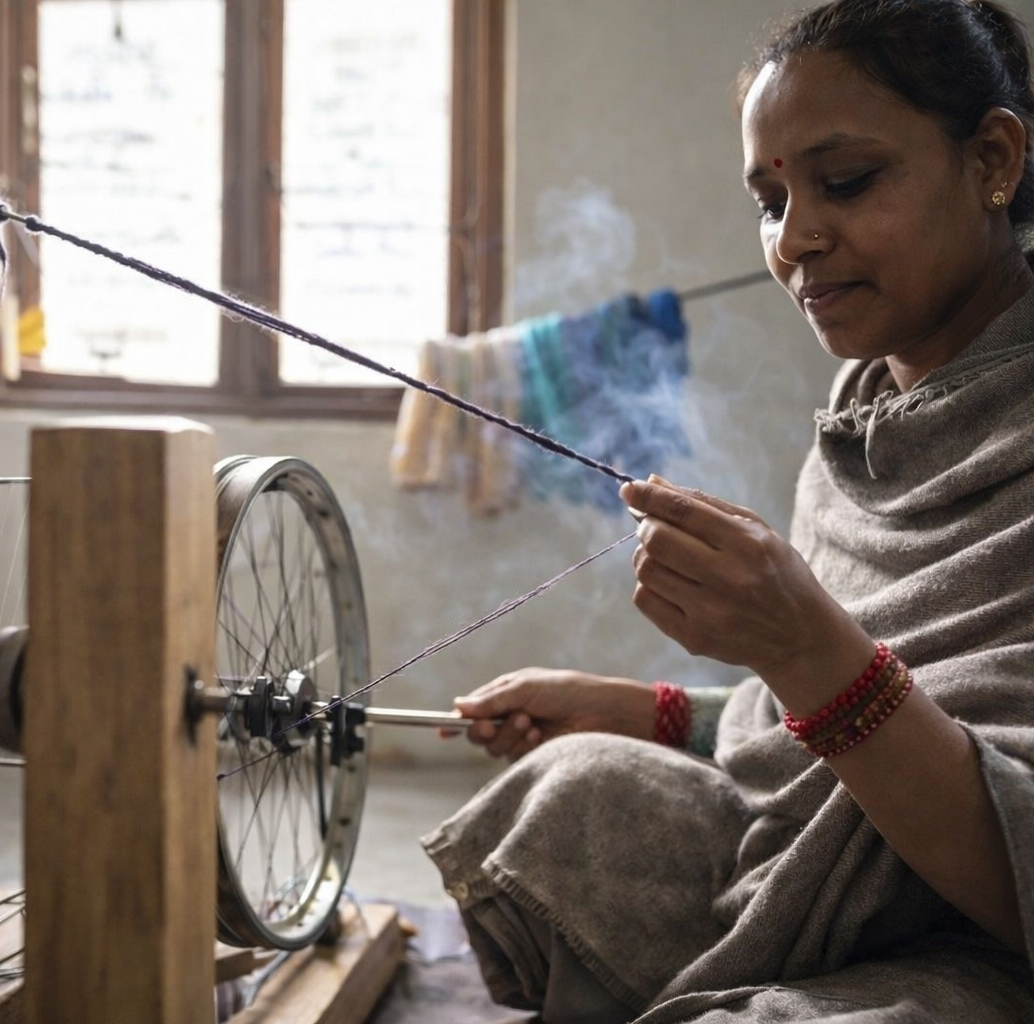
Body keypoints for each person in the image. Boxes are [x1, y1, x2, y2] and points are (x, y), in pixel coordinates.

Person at [425, 2, 1034, 1021]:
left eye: (846, 183)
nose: (795, 238)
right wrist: (645, 712)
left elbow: (882, 714)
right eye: (769, 198)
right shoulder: (863, 420)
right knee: (566, 796)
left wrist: (807, 650)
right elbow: (830, 731)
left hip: (978, 944)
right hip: (825, 865)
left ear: (993, 161)